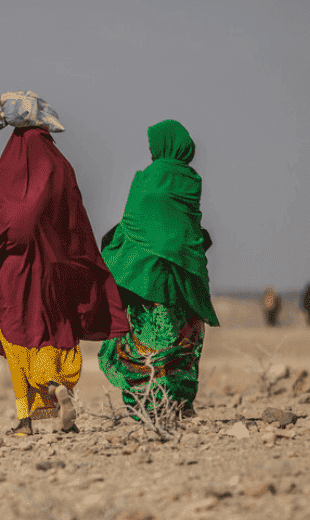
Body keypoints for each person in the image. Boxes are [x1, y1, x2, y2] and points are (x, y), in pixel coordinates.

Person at [0, 91, 129, 437]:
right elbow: (75, 223)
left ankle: (27, 420)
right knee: (55, 332)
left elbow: (3, 222)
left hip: (16, 271)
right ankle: (59, 390)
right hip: (57, 271)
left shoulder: (11, 166)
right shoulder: (60, 166)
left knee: (18, 335)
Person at [98, 119, 219, 419]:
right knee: (180, 342)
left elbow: (133, 228)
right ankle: (180, 404)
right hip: (182, 280)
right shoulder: (191, 182)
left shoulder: (146, 179)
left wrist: (112, 251)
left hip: (145, 278)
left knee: (146, 341)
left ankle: (148, 406)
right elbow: (182, 231)